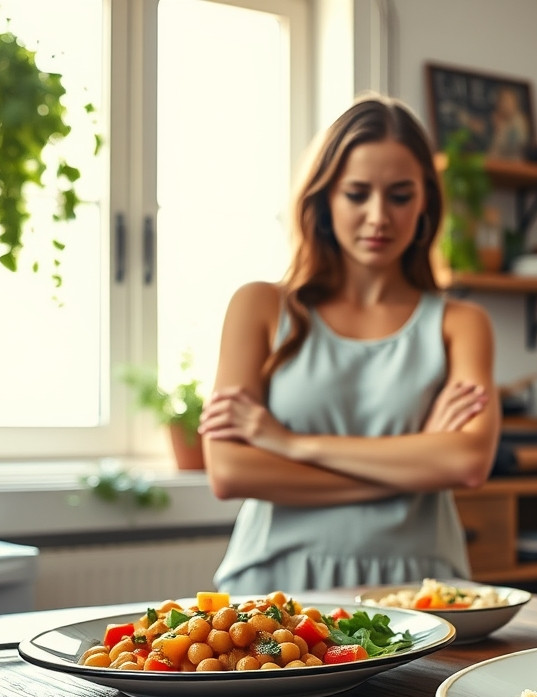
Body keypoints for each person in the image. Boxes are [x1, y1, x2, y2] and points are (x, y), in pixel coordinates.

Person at [201, 95, 500, 594]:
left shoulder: (462, 324)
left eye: (400, 195)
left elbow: (466, 462)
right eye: (357, 193)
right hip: (274, 580)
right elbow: (230, 471)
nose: (379, 216)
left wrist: (291, 443)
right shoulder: (258, 307)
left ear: (425, 199)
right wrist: (415, 464)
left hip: (423, 586)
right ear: (324, 199)